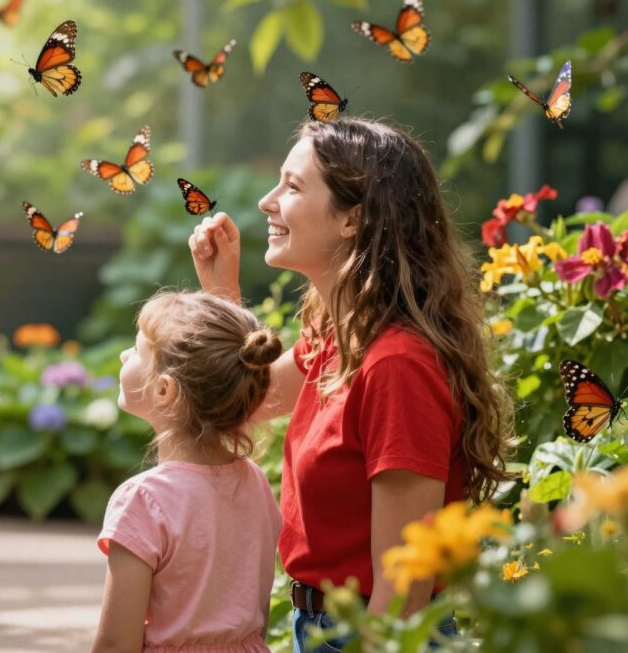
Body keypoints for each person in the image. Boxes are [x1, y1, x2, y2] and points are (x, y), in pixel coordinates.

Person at [188, 118, 513, 653]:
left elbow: (403, 591)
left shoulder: (397, 366)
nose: (268, 202)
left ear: (352, 218)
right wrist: (222, 295)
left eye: (293, 187)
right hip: (323, 629)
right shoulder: (342, 335)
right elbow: (243, 400)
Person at [92, 289, 284, 653]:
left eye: (137, 350)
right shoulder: (254, 482)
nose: (123, 355)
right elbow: (256, 611)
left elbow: (117, 643)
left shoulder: (143, 500)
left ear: (164, 390)